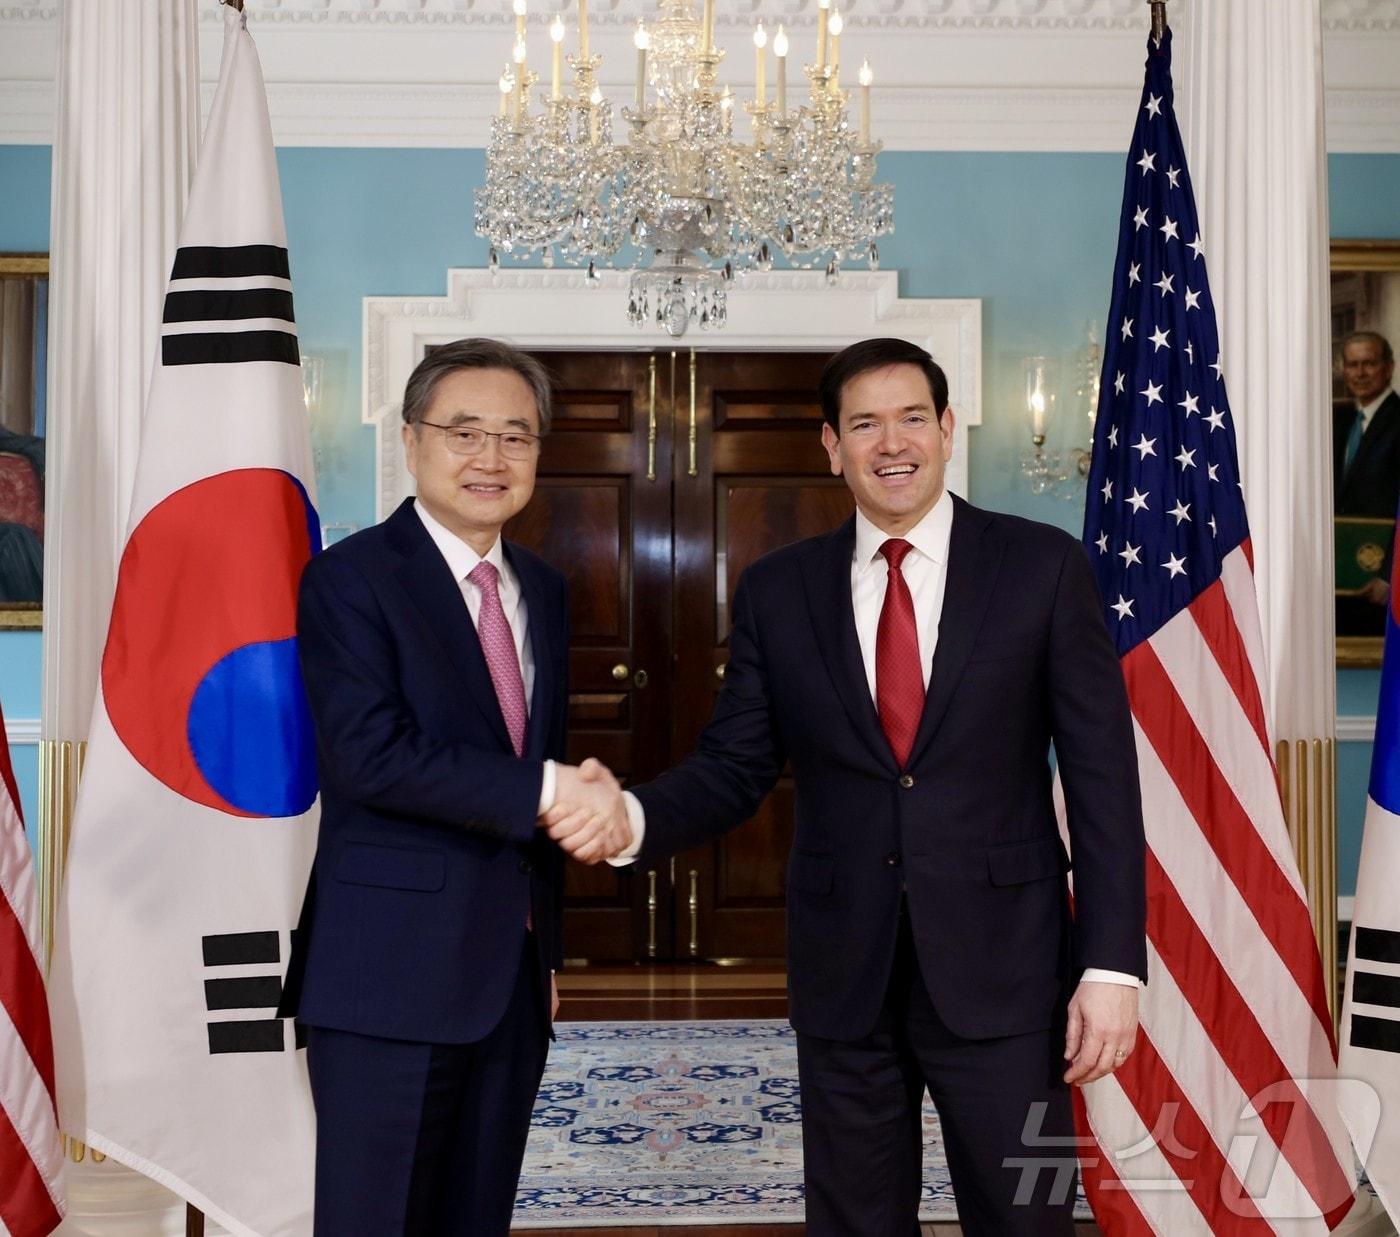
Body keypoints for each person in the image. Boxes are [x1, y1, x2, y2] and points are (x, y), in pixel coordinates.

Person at [548, 337, 1147, 1236]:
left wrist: (1110, 962)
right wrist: (632, 815)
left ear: (948, 430)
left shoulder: (1043, 566)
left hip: (1007, 965)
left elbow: (1103, 776)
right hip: (844, 965)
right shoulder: (776, 589)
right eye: (865, 423)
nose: (891, 441)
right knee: (856, 1220)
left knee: (1027, 1213)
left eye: (912, 417)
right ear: (832, 445)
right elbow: (734, 765)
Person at [280, 338, 625, 1236]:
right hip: (386, 973)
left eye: (516, 437)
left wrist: (541, 948)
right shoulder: (350, 580)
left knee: (477, 1219)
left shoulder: (541, 588)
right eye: (465, 432)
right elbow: (369, 755)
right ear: (411, 440)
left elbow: (522, 750)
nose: (492, 458)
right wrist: (553, 788)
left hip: (507, 980)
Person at [1334, 331, 1400, 634]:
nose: (1360, 373)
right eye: (1352, 364)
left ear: (1389, 368)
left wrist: (1391, 576)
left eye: (1369, 364)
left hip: (1384, 586)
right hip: (1338, 584)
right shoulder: (1338, 421)